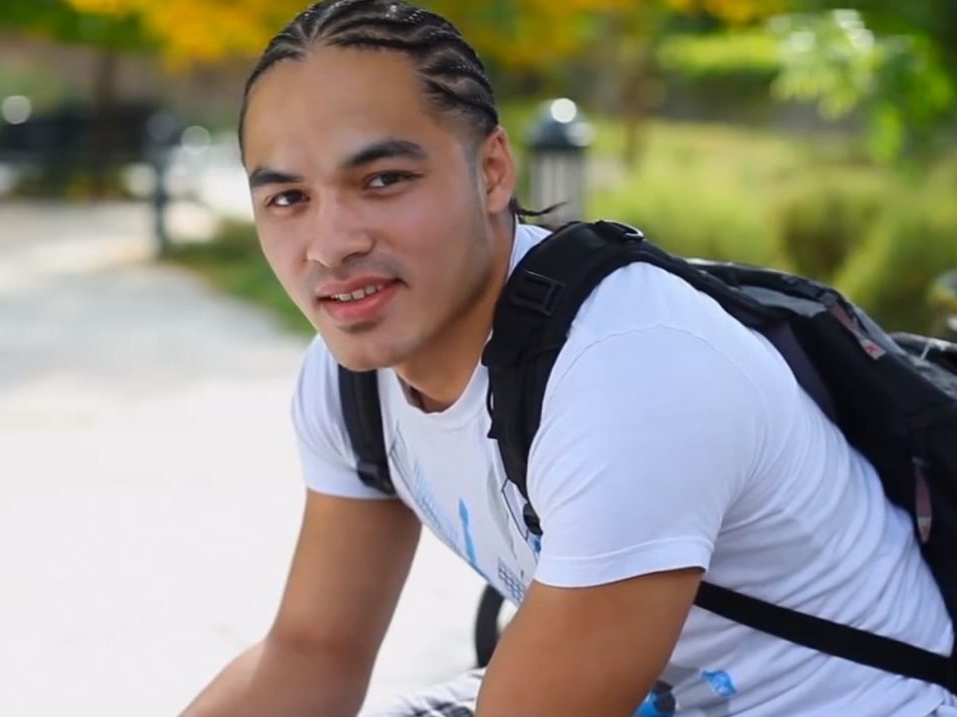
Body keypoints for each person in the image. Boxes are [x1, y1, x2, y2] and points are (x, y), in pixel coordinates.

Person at [179, 1, 956, 715]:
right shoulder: (351, 378)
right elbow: (313, 651)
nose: (330, 245)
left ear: (491, 170)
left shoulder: (630, 368)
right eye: (287, 199)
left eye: (384, 180)